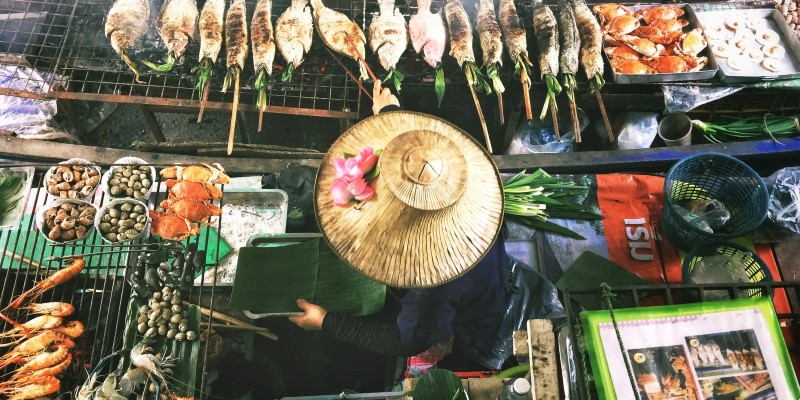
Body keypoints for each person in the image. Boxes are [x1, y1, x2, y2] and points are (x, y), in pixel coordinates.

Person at [290, 80, 511, 377]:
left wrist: (326, 322)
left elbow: (405, 340)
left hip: (472, 316)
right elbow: (419, 165)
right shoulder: (454, 172)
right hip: (479, 269)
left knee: (336, 348)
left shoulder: (429, 281)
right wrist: (391, 113)